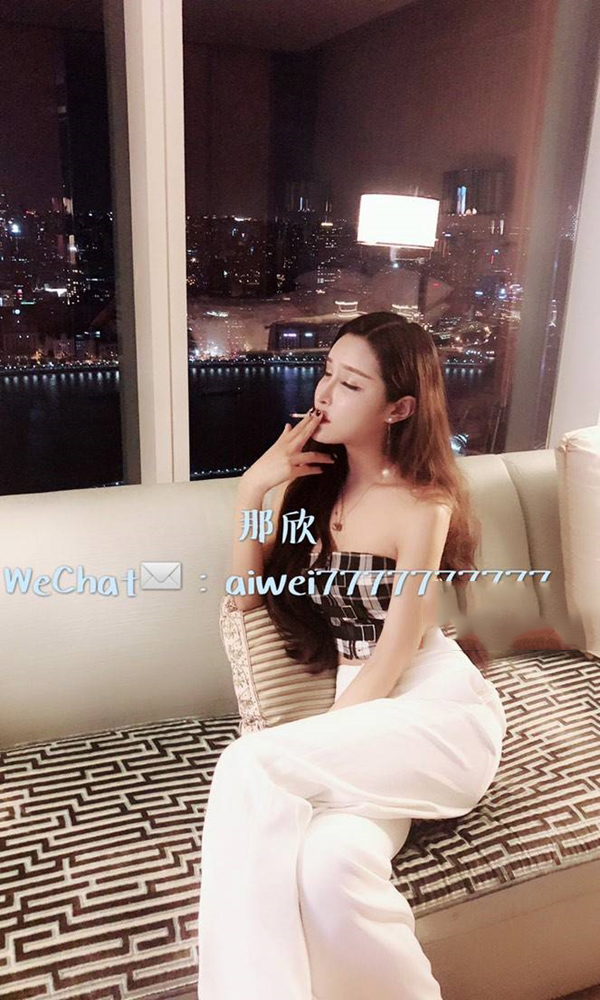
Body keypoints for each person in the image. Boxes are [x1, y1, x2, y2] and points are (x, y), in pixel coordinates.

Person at [196, 311, 507, 1000]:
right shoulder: (311, 491)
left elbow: (395, 653)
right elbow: (247, 597)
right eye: (327, 373)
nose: (324, 394)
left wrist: (321, 738)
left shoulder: (424, 507)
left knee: (250, 764)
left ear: (399, 408)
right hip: (360, 717)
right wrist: (253, 489)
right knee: (327, 866)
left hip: (432, 713)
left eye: (352, 384)